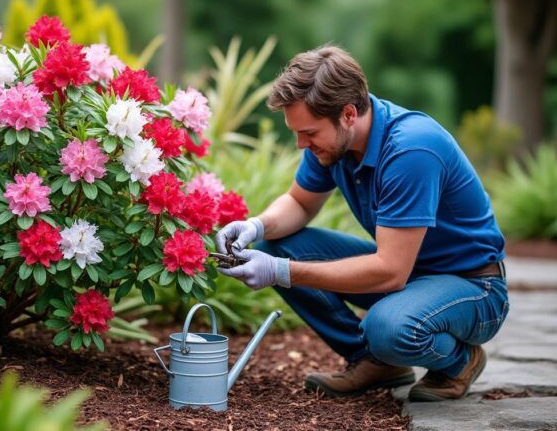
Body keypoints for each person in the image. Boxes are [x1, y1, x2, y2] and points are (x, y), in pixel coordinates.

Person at [216, 45, 508, 402]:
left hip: (474, 286)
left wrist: (280, 272)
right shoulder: (333, 143)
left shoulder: (410, 149)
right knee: (277, 245)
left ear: (348, 114)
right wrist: (257, 226)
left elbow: (390, 272)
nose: (299, 144)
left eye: (308, 132)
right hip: (412, 273)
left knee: (388, 327)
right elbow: (299, 203)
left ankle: (458, 362)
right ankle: (376, 362)